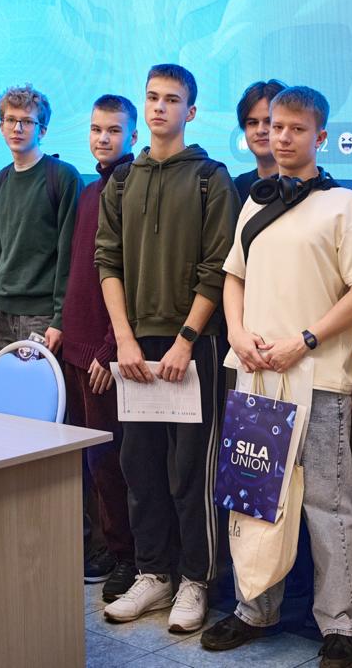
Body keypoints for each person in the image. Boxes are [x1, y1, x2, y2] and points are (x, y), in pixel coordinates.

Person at [200, 86, 352, 668]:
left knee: (329, 506)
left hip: (319, 377)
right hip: (255, 374)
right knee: (255, 498)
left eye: (296, 129)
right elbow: (233, 276)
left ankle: (339, 624)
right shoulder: (254, 202)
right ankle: (255, 608)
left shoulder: (343, 205)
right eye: (275, 126)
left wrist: (304, 340)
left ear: (320, 137)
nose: (281, 137)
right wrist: (236, 331)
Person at [96, 63, 237, 634]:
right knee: (140, 465)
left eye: (172, 99)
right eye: (152, 97)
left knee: (189, 471)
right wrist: (124, 339)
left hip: (192, 347)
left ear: (191, 111)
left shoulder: (210, 178)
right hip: (135, 348)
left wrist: (185, 340)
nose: (159, 107)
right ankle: (153, 573)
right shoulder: (122, 180)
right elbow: (108, 260)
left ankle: (195, 580)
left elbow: (218, 268)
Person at [62, 94, 138, 602]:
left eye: (113, 130)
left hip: (104, 354)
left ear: (132, 135)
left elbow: (128, 276)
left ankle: (128, 555)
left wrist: (109, 350)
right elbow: (79, 270)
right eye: (96, 129)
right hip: (75, 344)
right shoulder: (90, 191)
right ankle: (109, 546)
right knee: (91, 461)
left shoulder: (133, 188)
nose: (103, 138)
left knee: (114, 461)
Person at [0, 85, 81, 358]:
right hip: (1, 312)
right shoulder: (0, 180)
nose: (17, 128)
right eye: (10, 120)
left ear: (42, 130)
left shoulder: (63, 177)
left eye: (27, 121)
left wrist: (59, 318)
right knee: (2, 386)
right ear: (1, 127)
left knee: (37, 386)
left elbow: (69, 255)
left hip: (42, 315)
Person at [232, 79, 286, 202]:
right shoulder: (238, 186)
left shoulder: (311, 186)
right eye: (252, 123)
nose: (260, 130)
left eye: (269, 121)